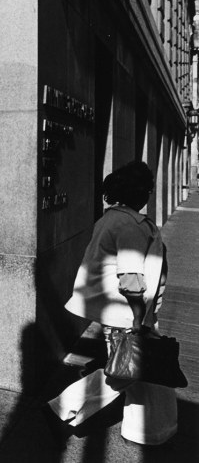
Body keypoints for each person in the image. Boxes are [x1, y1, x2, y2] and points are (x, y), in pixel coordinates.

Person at [47, 161, 177, 446]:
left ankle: (147, 432)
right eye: (146, 188)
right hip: (128, 315)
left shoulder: (110, 219)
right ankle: (62, 408)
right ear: (137, 191)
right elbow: (131, 280)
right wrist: (137, 320)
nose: (149, 193)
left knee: (138, 374)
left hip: (122, 313)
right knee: (125, 373)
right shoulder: (131, 225)